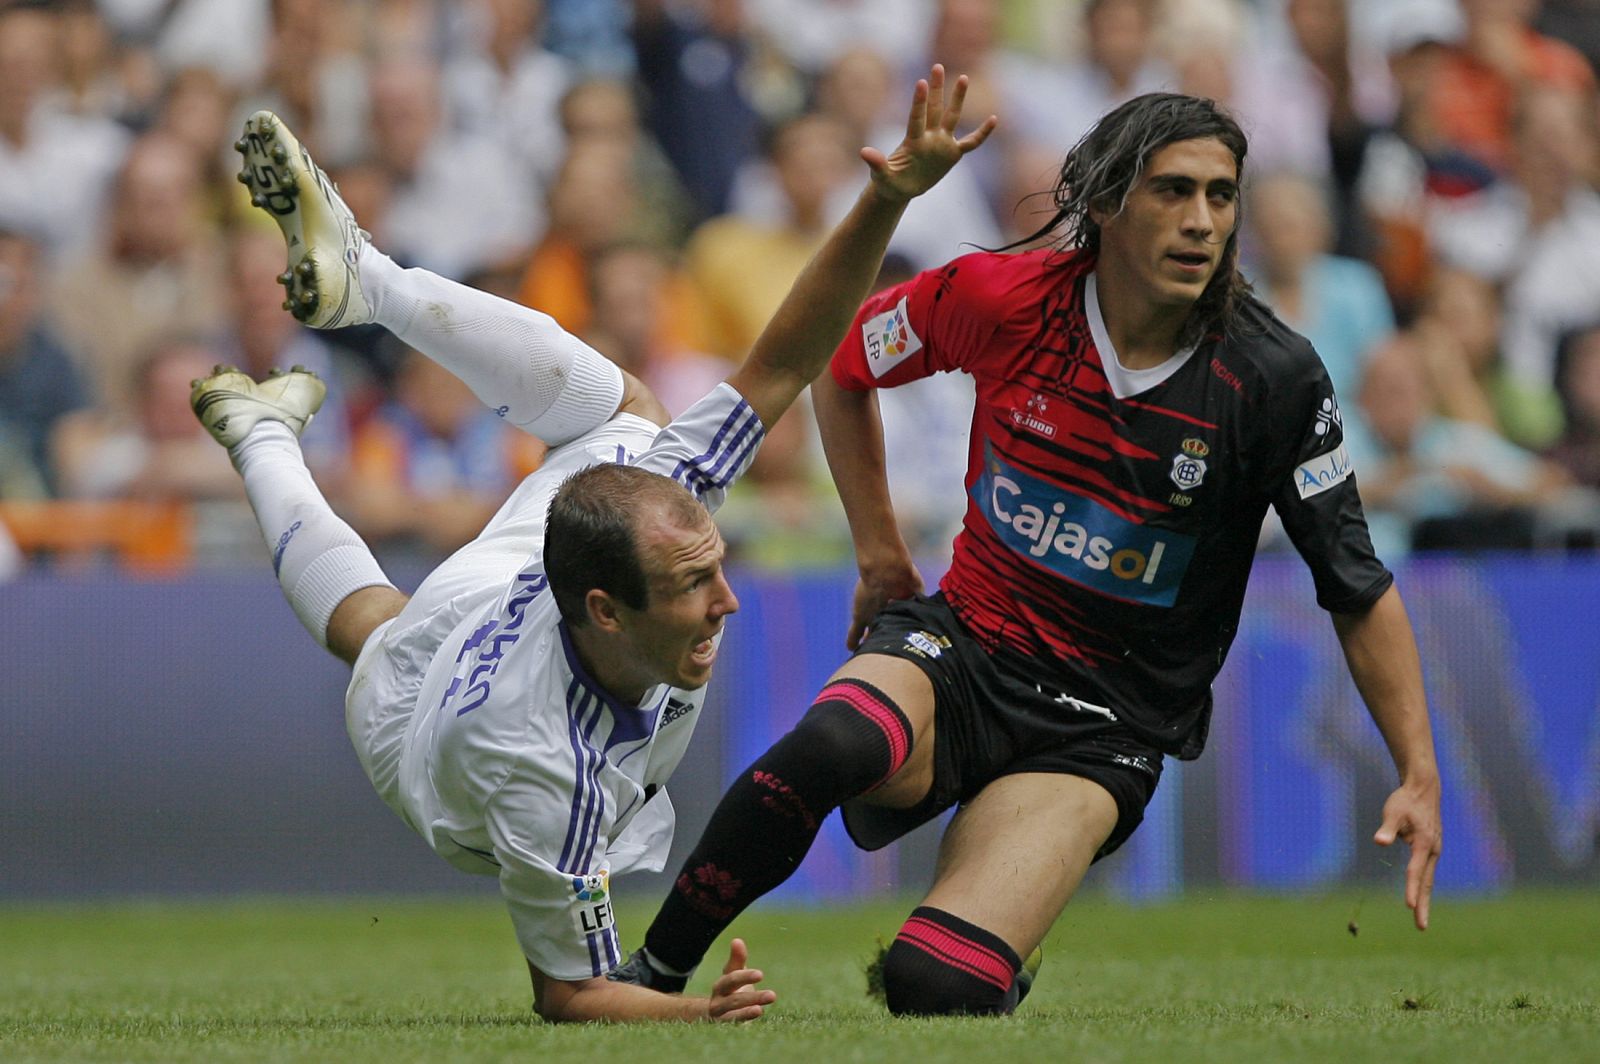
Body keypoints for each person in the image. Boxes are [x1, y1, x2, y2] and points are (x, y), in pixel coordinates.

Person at [191, 68, 994, 1023]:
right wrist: (706, 1016)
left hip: (521, 595)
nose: (728, 602)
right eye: (695, 587)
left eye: (716, 570)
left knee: (622, 418)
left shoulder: (659, 506)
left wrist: (886, 197)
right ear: (609, 611)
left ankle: (365, 290)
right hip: (418, 734)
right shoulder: (543, 770)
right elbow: (569, 996)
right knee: (373, 633)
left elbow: (783, 357)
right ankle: (261, 428)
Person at [622, 91, 1443, 1017]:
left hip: (1106, 725)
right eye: (1173, 192)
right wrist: (882, 557)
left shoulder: (1275, 379)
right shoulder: (1001, 297)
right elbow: (846, 363)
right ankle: (647, 976)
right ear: (1102, 203)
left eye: (1222, 196)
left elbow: (1356, 583)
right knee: (828, 744)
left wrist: (1417, 769)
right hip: (963, 649)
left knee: (930, 989)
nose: (1202, 221)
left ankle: (1002, 935)